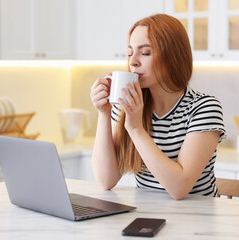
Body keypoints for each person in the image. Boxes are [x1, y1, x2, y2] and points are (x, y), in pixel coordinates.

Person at [90, 13, 226, 200]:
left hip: (196, 222)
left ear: (172, 56)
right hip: (147, 216)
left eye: (145, 52)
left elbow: (179, 187)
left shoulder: (204, 108)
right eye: (130, 52)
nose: (133, 61)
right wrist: (103, 114)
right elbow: (106, 180)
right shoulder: (127, 106)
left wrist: (136, 129)